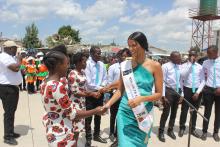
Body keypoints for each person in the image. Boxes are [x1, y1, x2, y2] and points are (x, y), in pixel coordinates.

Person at [104, 31, 163, 147]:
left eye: (134, 45)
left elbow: (159, 94)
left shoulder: (155, 66)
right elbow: (120, 90)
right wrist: (108, 104)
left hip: (143, 112)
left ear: (143, 45)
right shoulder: (125, 65)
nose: (131, 49)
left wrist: (141, 99)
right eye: (129, 46)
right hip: (125, 112)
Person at [40, 50, 106, 147]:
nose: (68, 67)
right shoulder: (57, 86)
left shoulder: (44, 82)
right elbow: (73, 115)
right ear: (58, 65)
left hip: (52, 128)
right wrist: (95, 111)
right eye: (66, 64)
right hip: (62, 132)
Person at [68, 52, 101, 145]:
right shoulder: (72, 74)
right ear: (78, 62)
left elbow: (84, 89)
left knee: (78, 128)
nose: (86, 64)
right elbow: (76, 92)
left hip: (82, 103)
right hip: (75, 104)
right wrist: (91, 94)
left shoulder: (82, 73)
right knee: (75, 129)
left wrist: (92, 93)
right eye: (84, 62)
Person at [84, 46, 108, 147]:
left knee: (98, 115)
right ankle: (88, 138)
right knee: (88, 116)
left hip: (100, 93)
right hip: (90, 94)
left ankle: (96, 135)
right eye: (97, 53)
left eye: (100, 53)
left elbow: (105, 78)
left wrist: (101, 89)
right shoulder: (87, 64)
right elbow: (88, 83)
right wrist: (99, 89)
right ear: (91, 54)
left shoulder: (102, 64)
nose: (100, 55)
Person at [0, 40, 23, 145]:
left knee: (11, 111)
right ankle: (7, 137)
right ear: (9, 48)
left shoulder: (9, 57)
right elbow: (15, 68)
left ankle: (11, 132)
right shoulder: (4, 57)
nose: (16, 50)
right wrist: (19, 60)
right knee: (9, 112)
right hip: (7, 88)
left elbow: (17, 69)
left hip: (11, 88)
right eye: (15, 48)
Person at [178, 50, 205, 138]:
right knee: (184, 110)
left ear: (196, 56)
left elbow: (203, 81)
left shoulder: (200, 67)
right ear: (188, 56)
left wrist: (197, 92)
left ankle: (192, 129)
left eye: (194, 55)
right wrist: (189, 66)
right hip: (187, 90)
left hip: (196, 91)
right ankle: (182, 127)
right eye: (190, 55)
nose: (192, 56)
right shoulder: (183, 66)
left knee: (194, 111)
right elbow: (182, 77)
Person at [158, 51, 183, 142]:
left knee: (174, 112)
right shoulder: (165, 66)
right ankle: (161, 131)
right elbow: (162, 81)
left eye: (180, 57)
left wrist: (182, 94)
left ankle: (170, 130)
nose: (180, 59)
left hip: (178, 91)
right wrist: (163, 95)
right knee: (166, 112)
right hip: (168, 91)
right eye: (178, 57)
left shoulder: (180, 67)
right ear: (172, 58)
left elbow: (181, 81)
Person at [201, 45, 220, 142]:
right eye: (207, 53)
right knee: (206, 112)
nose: (207, 55)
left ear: (216, 53)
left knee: (218, 113)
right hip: (208, 90)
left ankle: (216, 132)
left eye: (209, 53)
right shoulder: (205, 62)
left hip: (219, 90)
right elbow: (203, 76)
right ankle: (204, 131)